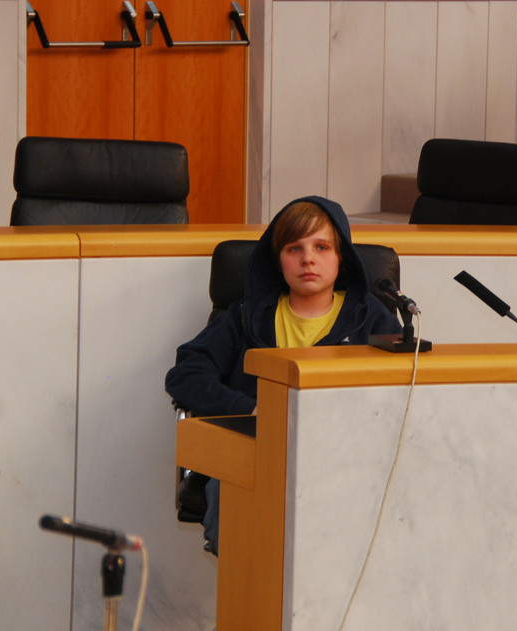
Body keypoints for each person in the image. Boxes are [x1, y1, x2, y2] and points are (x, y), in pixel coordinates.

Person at [165, 195, 402, 554]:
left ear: (342, 258)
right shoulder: (246, 315)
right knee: (242, 514)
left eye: (321, 247)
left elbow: (400, 387)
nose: (308, 259)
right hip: (254, 452)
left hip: (341, 455)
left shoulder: (370, 316)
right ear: (278, 260)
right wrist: (247, 408)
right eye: (294, 248)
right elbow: (186, 374)